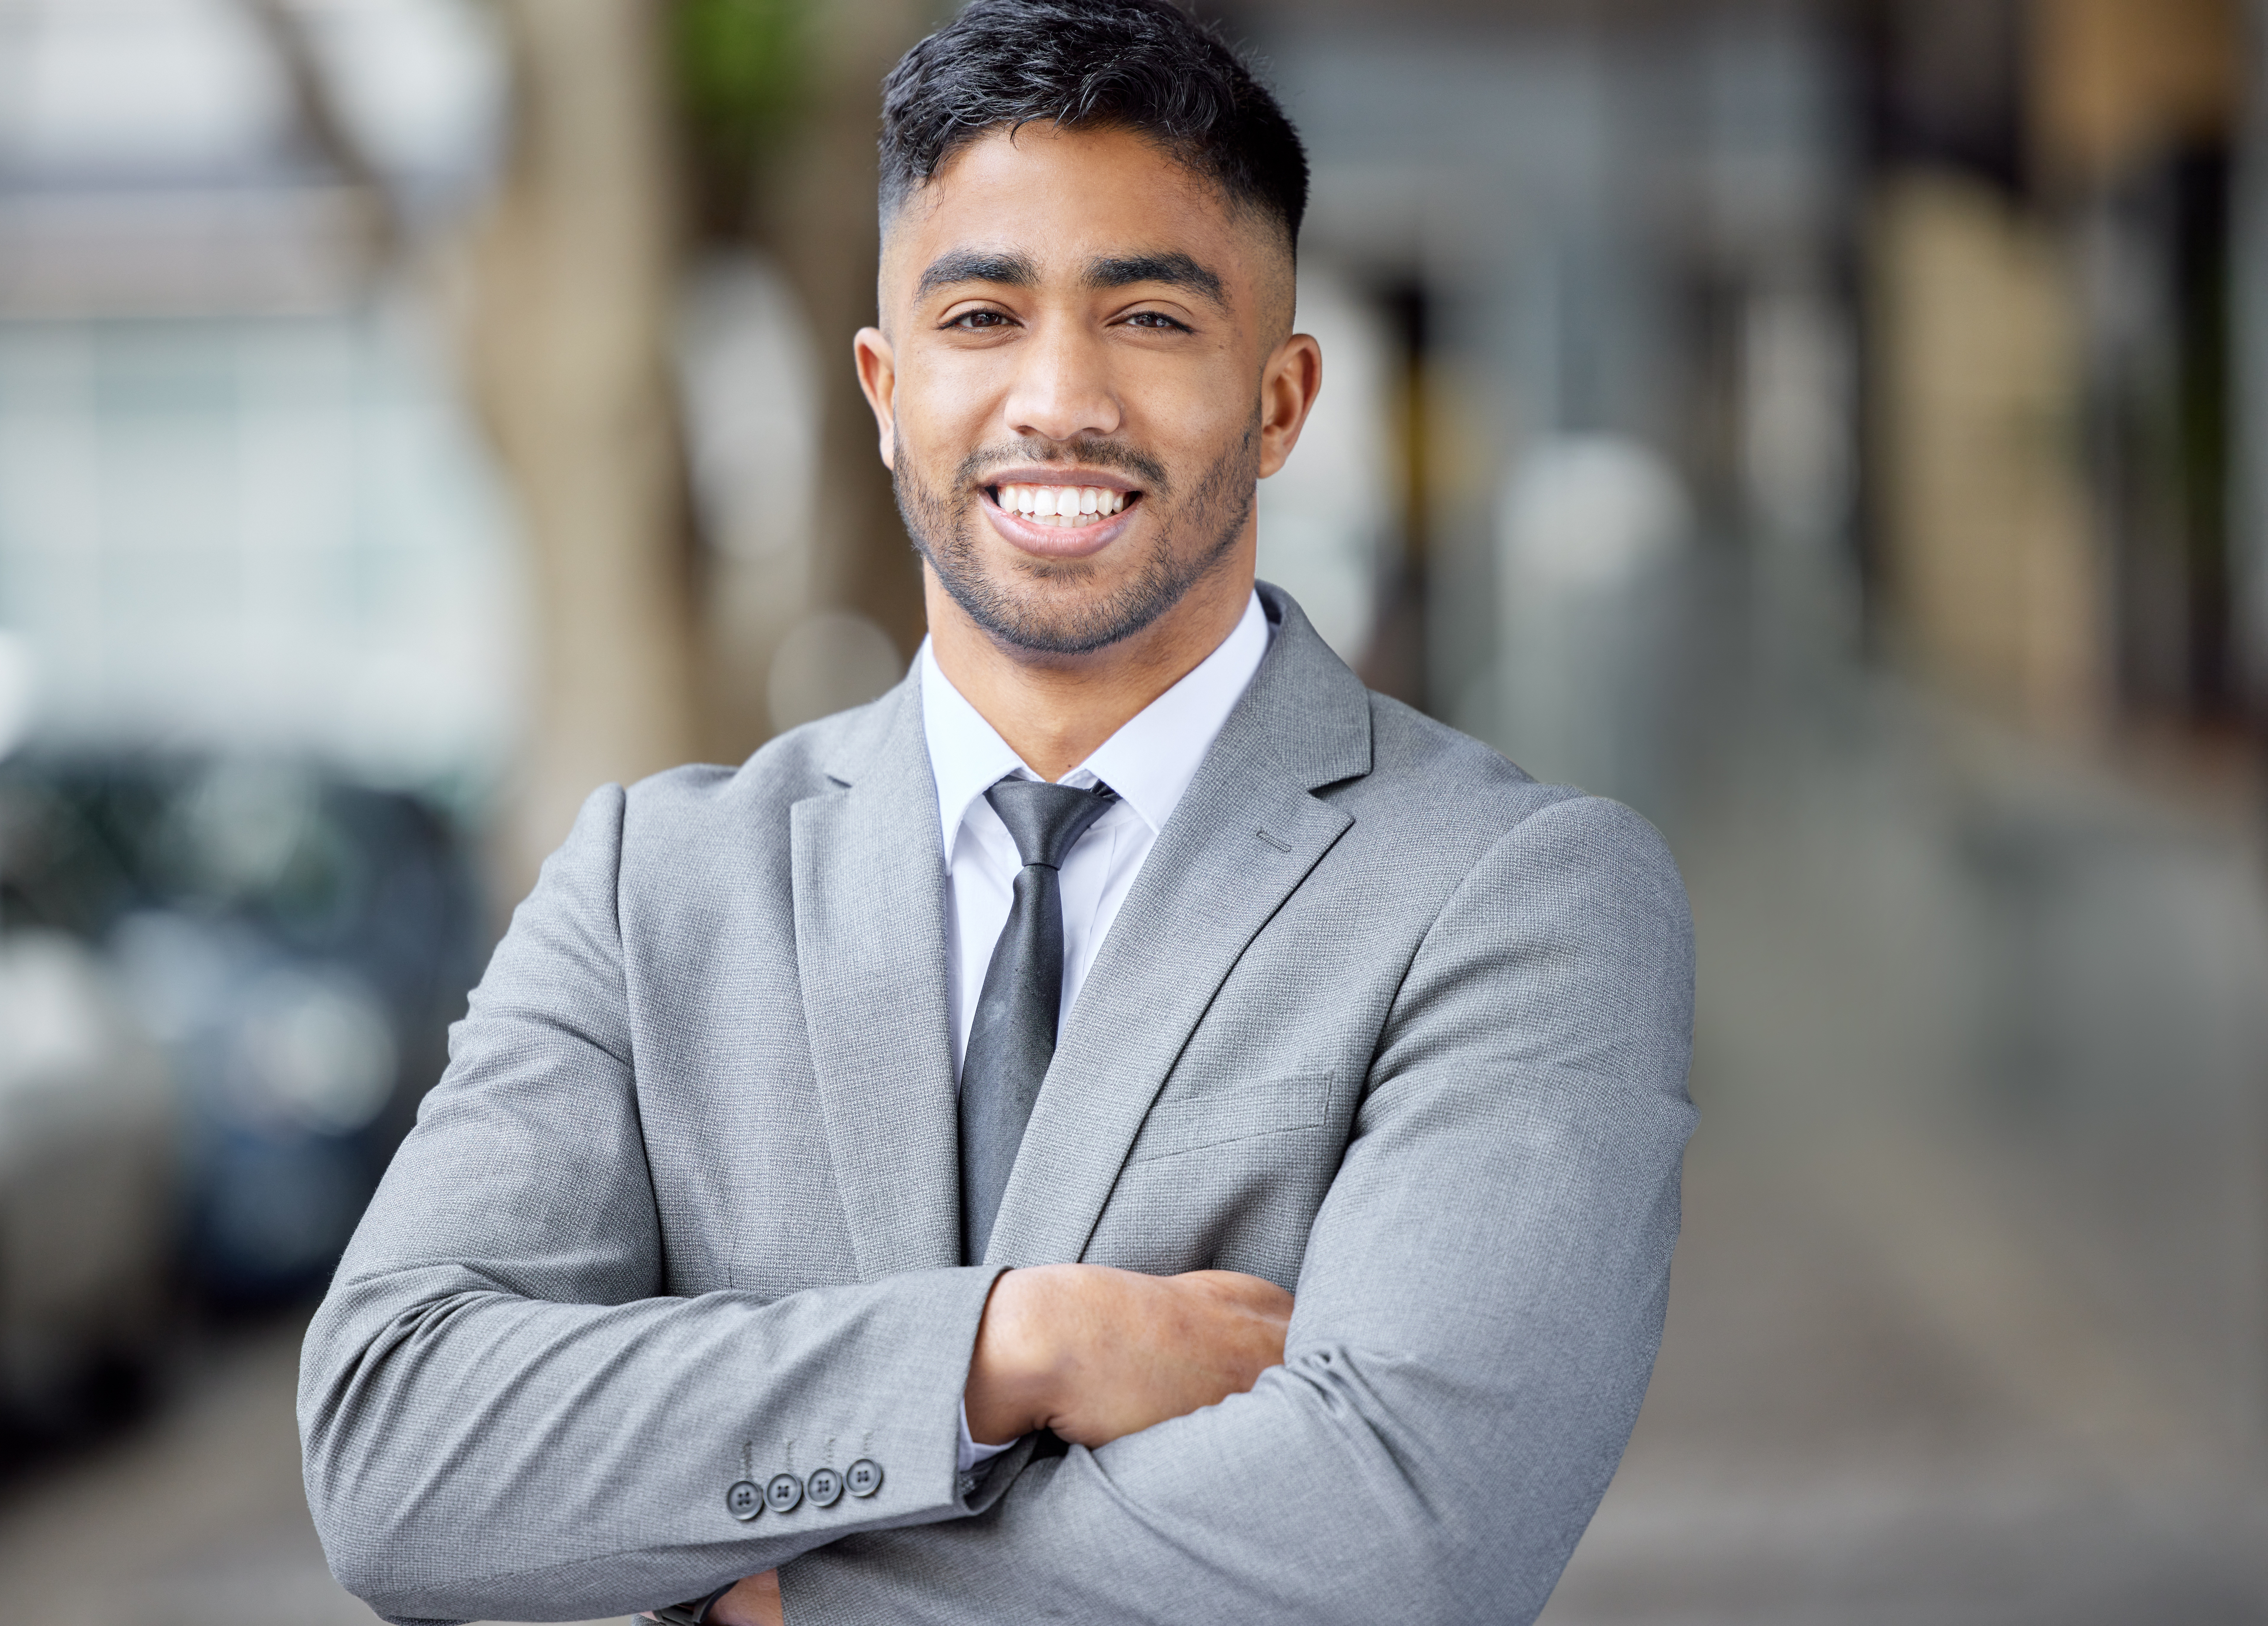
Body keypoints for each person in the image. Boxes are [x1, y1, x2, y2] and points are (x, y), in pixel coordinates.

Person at [298, 2, 1696, 1621]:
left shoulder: (1519, 895)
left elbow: (1400, 1536)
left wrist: (793, 1598)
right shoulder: (654, 887)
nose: (1058, 398)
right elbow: (398, 1451)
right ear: (886, 390)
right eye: (981, 316)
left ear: (1282, 401)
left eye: (1151, 318)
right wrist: (1007, 1347)